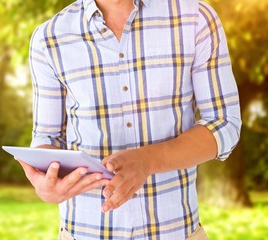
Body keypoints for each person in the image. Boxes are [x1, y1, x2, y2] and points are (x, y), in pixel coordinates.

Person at [19, 0, 241, 239]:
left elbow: (223, 123)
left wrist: (149, 160)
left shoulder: (195, 18)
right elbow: (47, 136)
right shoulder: (49, 37)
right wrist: (46, 185)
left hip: (176, 232)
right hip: (83, 232)